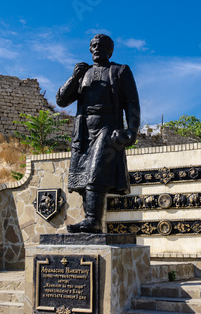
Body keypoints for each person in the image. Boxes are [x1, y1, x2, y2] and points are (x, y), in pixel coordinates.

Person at [56, 34, 140, 233]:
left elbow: (132, 103)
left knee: (96, 172)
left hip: (108, 128)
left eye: (101, 46)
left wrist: (132, 130)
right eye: (93, 46)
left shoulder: (120, 71)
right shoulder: (83, 73)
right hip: (84, 130)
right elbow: (61, 100)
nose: (96, 49)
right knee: (84, 178)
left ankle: (93, 220)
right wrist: (74, 76)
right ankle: (91, 222)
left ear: (110, 50)